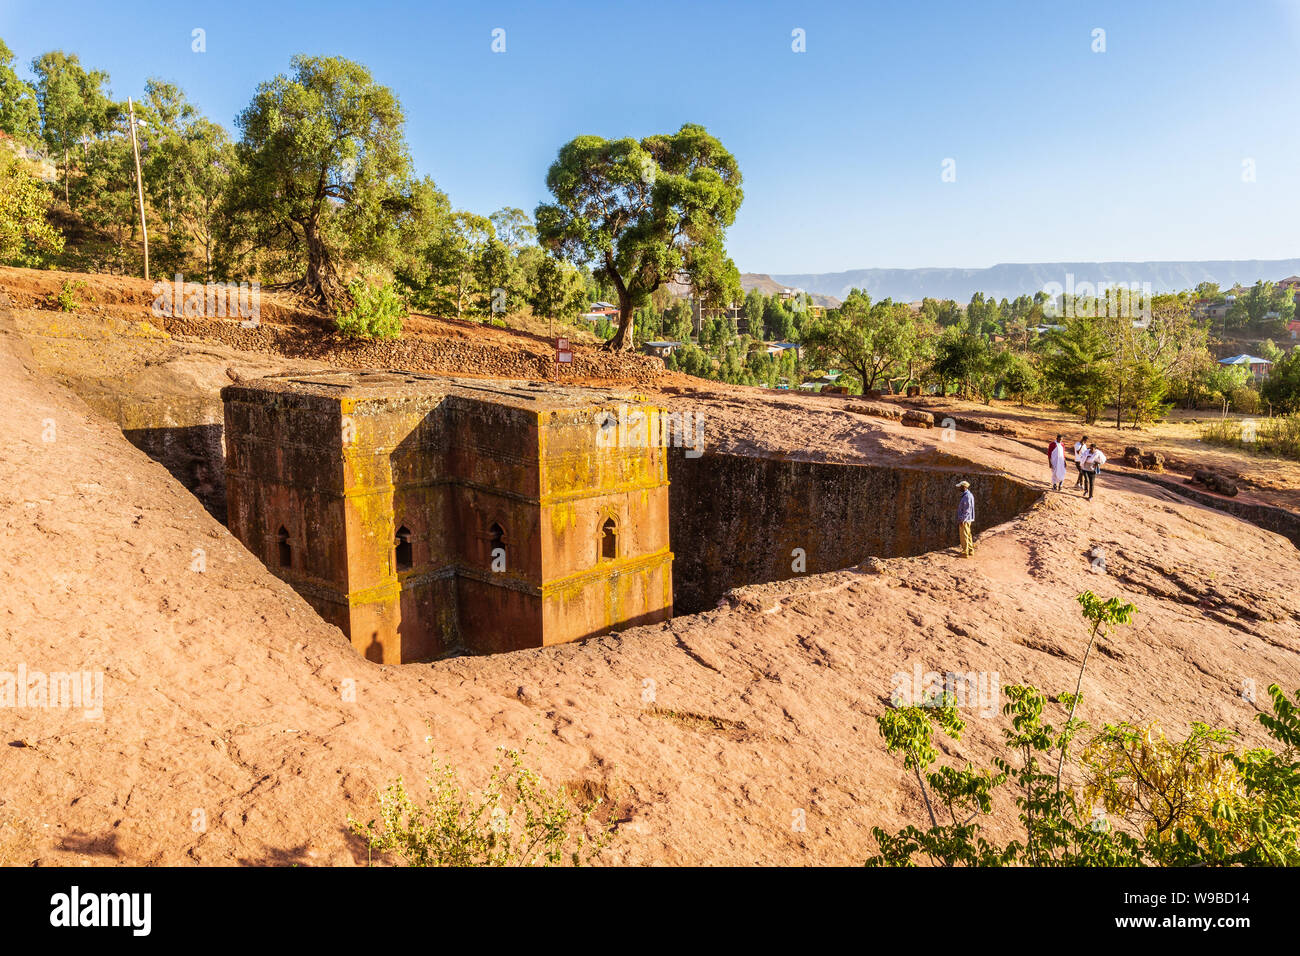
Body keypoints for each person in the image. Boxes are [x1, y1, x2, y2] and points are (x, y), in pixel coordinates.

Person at [956, 480, 975, 557]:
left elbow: (967, 510)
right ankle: (970, 550)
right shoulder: (968, 495)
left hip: (965, 519)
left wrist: (962, 519)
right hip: (967, 519)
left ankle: (965, 552)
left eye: (960, 487)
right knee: (968, 534)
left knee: (964, 535)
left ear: (964, 487)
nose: (959, 488)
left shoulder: (967, 496)